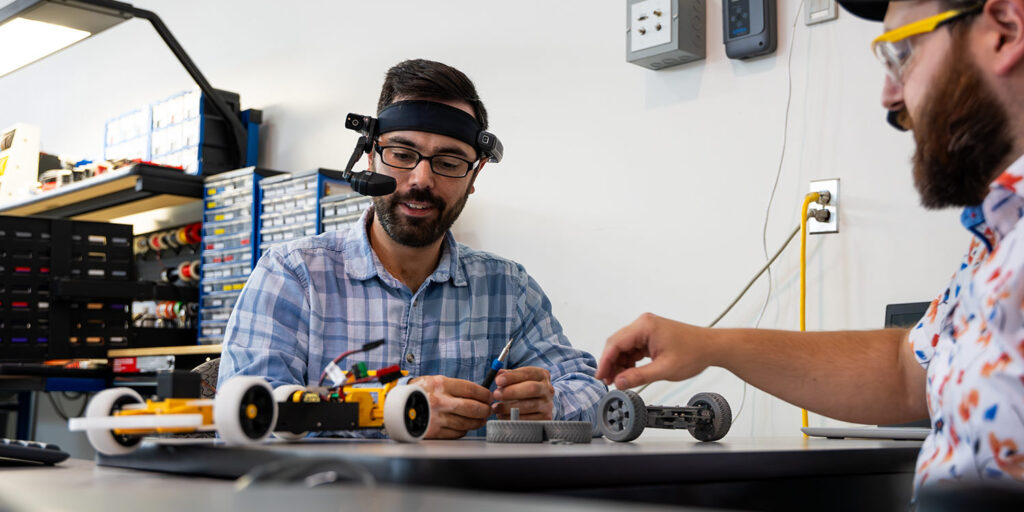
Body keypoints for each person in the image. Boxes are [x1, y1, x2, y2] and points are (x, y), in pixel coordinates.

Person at [597, 0, 1024, 491]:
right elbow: (907, 372)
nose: (889, 96)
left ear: (1005, 31)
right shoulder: (996, 238)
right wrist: (713, 345)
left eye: (902, 54)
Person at [219, 59, 605, 439]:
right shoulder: (292, 274)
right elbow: (241, 417)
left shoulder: (508, 288)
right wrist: (394, 410)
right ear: (370, 155)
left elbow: (592, 394)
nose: (422, 180)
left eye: (449, 162)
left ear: (475, 175)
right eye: (402, 155)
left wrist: (550, 404)